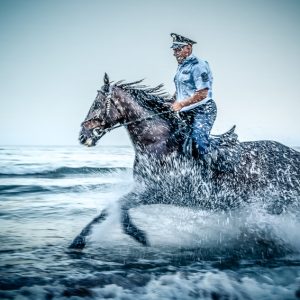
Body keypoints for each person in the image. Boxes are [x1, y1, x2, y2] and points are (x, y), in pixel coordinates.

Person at [170, 33, 217, 160]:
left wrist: (180, 104)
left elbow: (202, 93)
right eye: (174, 50)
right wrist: (172, 101)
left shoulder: (198, 65)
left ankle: (208, 171)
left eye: (178, 49)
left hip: (203, 110)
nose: (175, 53)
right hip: (186, 112)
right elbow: (182, 90)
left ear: (188, 48)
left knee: (198, 139)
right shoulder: (182, 66)